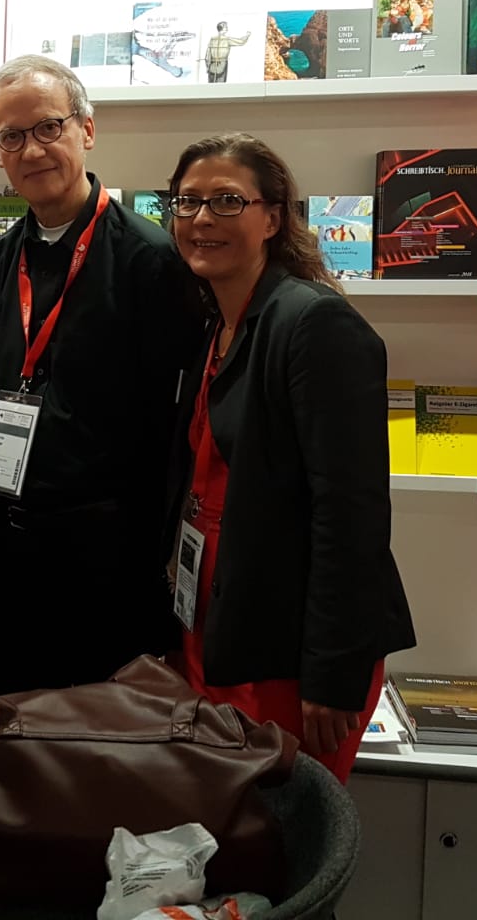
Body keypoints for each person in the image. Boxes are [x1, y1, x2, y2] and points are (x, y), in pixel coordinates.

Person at [163, 132, 415, 781]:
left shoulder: (313, 324)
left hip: (288, 649)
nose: (201, 218)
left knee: (283, 828)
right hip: (218, 620)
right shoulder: (215, 324)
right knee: (225, 817)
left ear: (273, 218)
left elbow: (351, 512)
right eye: (187, 202)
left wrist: (332, 673)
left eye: (227, 201)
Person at [0, 54, 198, 695]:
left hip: (106, 551)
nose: (32, 150)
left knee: (101, 733)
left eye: (48, 127)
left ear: (86, 129)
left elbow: (173, 419)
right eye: (11, 136)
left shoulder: (151, 259)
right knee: (14, 720)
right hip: (8, 542)